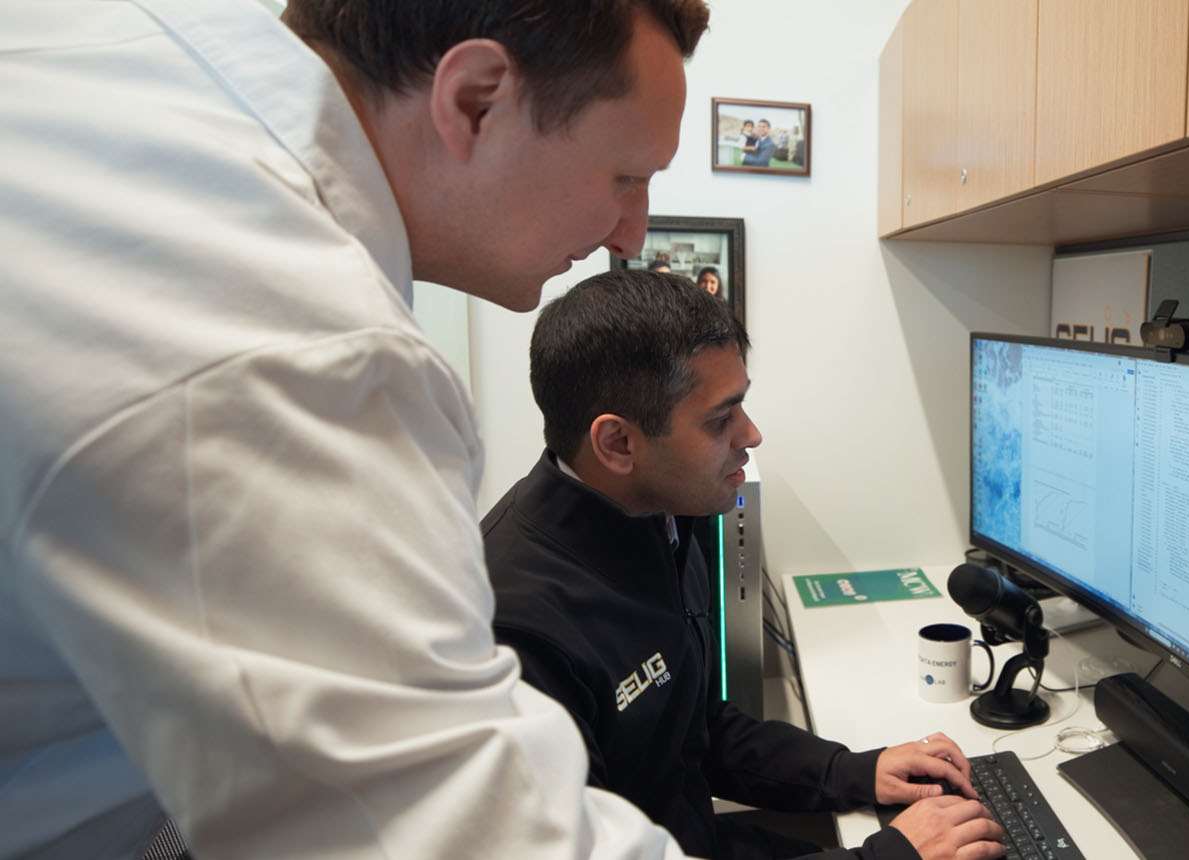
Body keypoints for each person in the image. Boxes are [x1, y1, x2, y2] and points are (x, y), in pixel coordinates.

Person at [0, 1, 716, 857]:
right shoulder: (288, 347)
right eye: (625, 177)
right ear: (476, 100)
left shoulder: (130, 49)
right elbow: (442, 831)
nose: (630, 235)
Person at [481, 270, 1005, 860]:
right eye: (719, 419)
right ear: (618, 444)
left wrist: (854, 771)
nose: (751, 435)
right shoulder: (515, 632)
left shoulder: (663, 516)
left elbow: (697, 731)